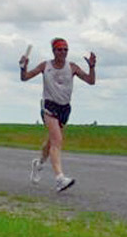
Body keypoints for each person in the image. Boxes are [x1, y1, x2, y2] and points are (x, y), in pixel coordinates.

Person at [19, 37, 96, 192]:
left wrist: (92, 67)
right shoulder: (45, 66)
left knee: (51, 142)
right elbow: (25, 78)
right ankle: (59, 178)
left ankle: (38, 164)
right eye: (59, 49)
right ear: (54, 51)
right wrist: (23, 68)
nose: (63, 52)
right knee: (57, 141)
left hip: (64, 108)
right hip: (49, 106)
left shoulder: (72, 67)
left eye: (65, 49)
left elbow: (90, 81)